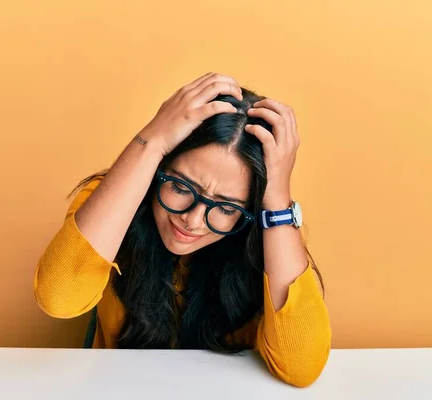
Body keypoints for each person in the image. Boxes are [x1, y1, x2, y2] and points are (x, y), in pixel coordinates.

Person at [34, 72, 331, 387]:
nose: (193, 220)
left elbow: (302, 367)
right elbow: (59, 298)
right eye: (179, 186)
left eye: (227, 208)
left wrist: (277, 200)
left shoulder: (270, 236)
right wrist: (151, 142)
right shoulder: (109, 200)